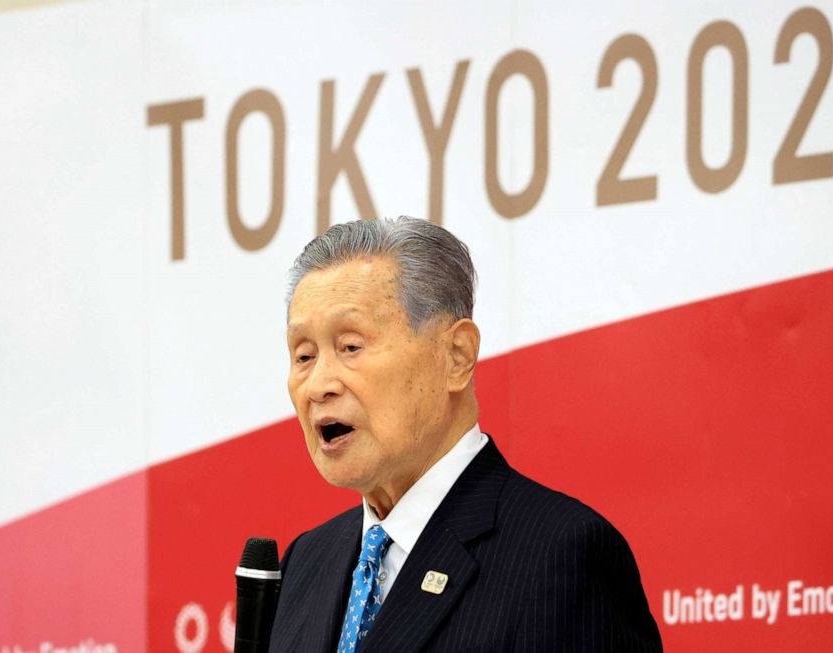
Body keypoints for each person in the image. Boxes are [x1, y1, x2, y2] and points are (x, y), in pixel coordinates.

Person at [271, 216, 662, 652]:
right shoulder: (304, 564)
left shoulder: (560, 556)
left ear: (456, 356)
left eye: (351, 347)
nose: (320, 384)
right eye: (303, 355)